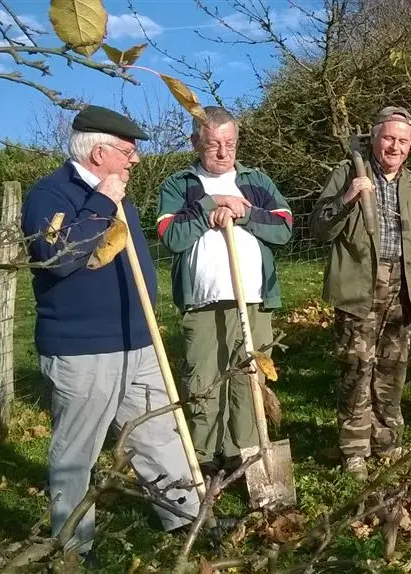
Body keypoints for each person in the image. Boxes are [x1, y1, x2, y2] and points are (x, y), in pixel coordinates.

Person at [21, 105, 199, 560]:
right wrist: (101, 201)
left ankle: (187, 520)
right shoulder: (51, 195)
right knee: (77, 454)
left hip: (139, 343)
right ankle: (73, 549)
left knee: (159, 436)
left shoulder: (122, 198)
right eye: (128, 150)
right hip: (83, 352)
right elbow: (56, 258)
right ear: (99, 152)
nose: (135, 158)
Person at [157, 106, 293, 475]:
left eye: (229, 144)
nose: (222, 152)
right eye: (214, 144)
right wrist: (209, 208)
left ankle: (243, 454)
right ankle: (203, 459)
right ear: (195, 143)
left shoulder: (257, 181)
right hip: (203, 303)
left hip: (254, 300)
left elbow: (284, 228)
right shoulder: (179, 185)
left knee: (250, 379)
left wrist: (242, 213)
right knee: (203, 381)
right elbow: (171, 236)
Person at [311, 106, 411, 480]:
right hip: (358, 286)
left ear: (410, 146)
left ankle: (385, 441)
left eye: (402, 141)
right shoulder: (348, 171)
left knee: (392, 369)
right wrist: (348, 197)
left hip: (404, 287)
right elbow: (320, 227)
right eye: (389, 138)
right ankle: (353, 448)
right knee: (356, 367)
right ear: (374, 137)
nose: (395, 147)